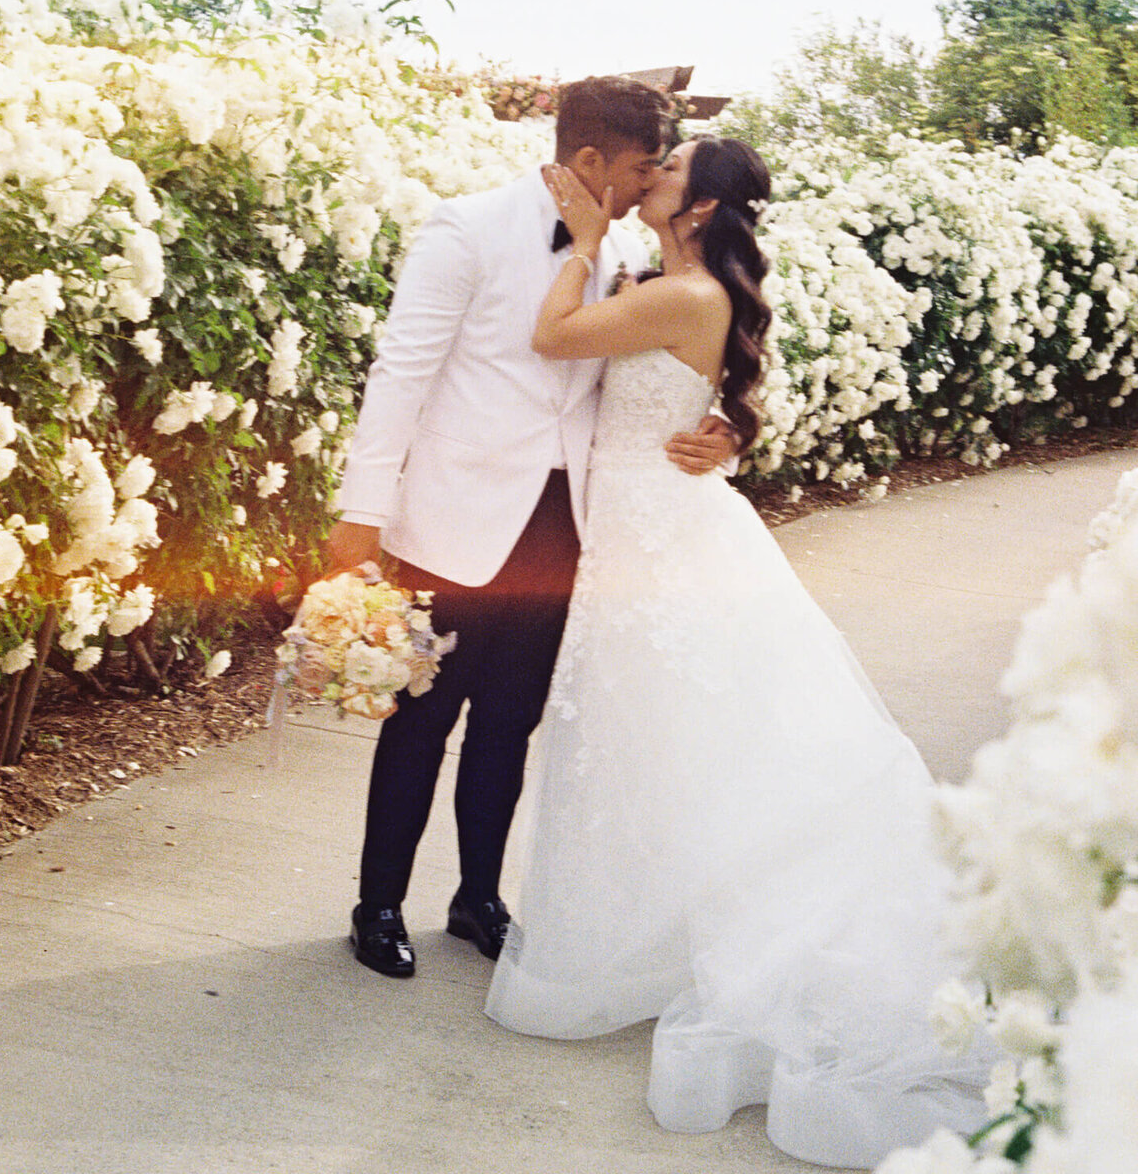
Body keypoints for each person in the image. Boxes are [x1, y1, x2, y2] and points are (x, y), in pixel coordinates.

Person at [484, 136, 992, 1169]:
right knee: (666, 744)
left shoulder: (684, 292)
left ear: (703, 207)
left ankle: (710, 940)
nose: (649, 180)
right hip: (648, 529)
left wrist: (580, 243)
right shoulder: (676, 283)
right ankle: (666, 930)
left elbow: (554, 336)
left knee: (685, 740)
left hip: (661, 549)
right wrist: (726, 427)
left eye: (666, 174)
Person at [326, 77, 738, 981]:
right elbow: (400, 375)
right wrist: (363, 516)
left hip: (570, 528)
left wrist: (722, 428)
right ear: (590, 160)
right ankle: (378, 904)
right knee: (419, 720)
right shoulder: (465, 228)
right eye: (639, 168)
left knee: (510, 724)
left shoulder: (624, 254)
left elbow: (667, 370)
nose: (645, 186)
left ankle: (477, 898)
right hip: (454, 522)